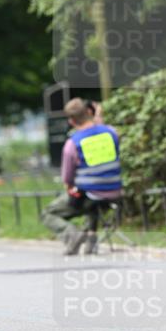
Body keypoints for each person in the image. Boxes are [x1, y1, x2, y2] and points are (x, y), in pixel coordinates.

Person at [42, 97, 122, 255]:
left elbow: (67, 178)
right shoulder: (111, 133)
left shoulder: (73, 143)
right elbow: (102, 131)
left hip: (89, 195)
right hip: (115, 192)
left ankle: (72, 235)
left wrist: (70, 187)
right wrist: (98, 119)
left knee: (48, 213)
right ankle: (90, 240)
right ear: (89, 112)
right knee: (93, 199)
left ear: (71, 121)